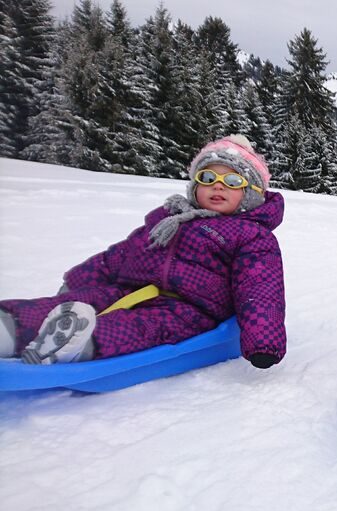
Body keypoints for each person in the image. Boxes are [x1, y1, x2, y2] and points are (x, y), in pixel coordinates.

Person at [0, 135, 286, 369]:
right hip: (130, 289)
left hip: (188, 309)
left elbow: (261, 289)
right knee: (83, 299)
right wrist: (79, 279)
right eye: (208, 177)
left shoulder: (250, 235)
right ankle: (10, 326)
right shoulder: (169, 218)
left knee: (141, 327)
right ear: (195, 185)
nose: (218, 186)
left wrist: (263, 342)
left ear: (250, 194)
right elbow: (123, 254)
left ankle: (79, 342)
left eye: (232, 181)